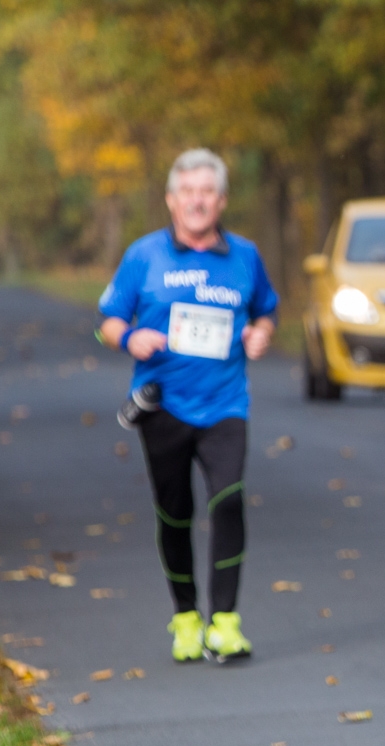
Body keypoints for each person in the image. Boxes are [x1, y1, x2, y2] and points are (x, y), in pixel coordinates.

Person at [98, 148, 278, 664]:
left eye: (207, 192)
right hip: (165, 407)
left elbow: (267, 311)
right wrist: (130, 339)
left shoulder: (244, 255)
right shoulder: (144, 255)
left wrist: (260, 335)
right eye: (188, 192)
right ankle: (185, 617)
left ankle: (225, 622)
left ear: (221, 201)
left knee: (229, 500)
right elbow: (106, 319)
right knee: (175, 514)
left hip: (225, 404)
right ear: (172, 200)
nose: (197, 201)